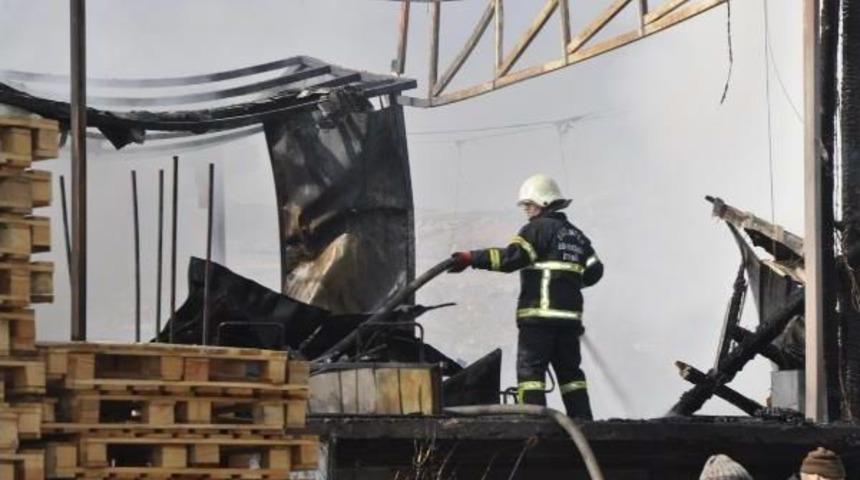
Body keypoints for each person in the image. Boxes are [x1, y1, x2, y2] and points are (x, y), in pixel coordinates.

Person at [448, 174, 603, 419]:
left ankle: (534, 424)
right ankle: (583, 423)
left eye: (528, 205)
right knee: (571, 376)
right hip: (569, 322)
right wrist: (568, 285)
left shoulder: (537, 230)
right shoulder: (577, 236)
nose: (526, 210)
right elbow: (595, 271)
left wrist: (471, 258)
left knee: (531, 374)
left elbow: (512, 259)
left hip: (538, 320)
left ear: (543, 202)